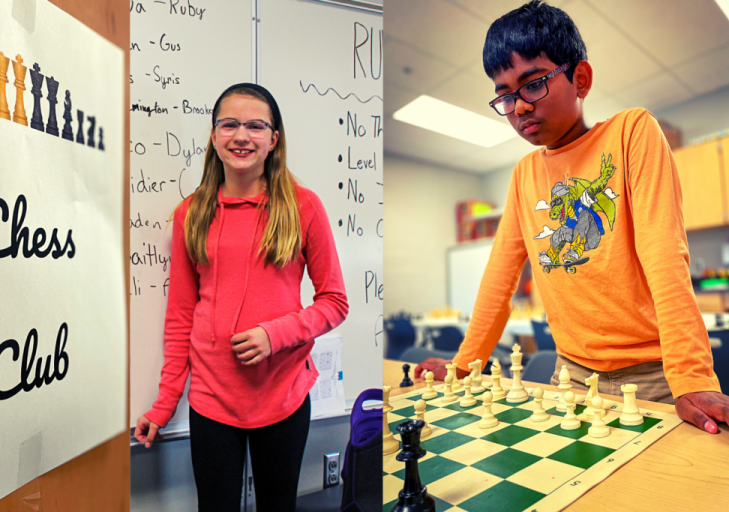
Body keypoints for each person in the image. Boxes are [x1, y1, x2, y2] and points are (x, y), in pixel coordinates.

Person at [415, 0, 729, 433]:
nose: (519, 106)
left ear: (579, 78)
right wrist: (466, 363)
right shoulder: (525, 174)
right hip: (573, 377)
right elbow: (498, 280)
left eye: (533, 84)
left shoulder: (632, 132)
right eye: (505, 95)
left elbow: (664, 256)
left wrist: (691, 375)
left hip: (656, 375)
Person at [134, 83, 349, 511]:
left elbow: (335, 302)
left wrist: (276, 334)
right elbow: (180, 316)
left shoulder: (304, 207)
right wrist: (163, 405)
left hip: (283, 394)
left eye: (255, 126)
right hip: (212, 399)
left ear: (274, 139)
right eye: (229, 124)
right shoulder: (190, 213)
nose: (241, 136)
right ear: (214, 137)